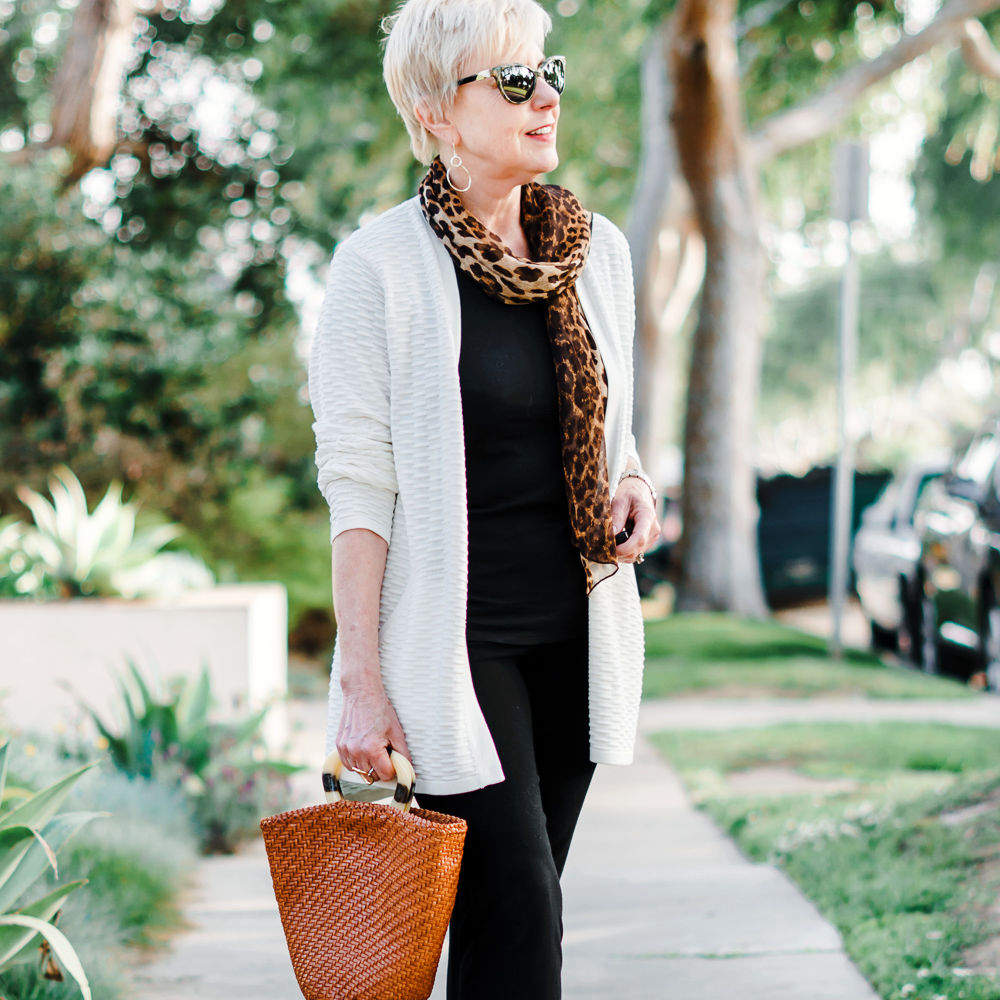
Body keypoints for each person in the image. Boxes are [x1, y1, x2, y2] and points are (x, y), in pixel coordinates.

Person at [308, 1, 659, 996]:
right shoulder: (376, 268)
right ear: (435, 113)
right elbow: (359, 482)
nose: (546, 95)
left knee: (515, 918)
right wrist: (361, 680)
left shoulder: (600, 255)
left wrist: (633, 484)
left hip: (574, 637)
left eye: (547, 71)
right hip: (456, 649)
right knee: (521, 913)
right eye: (512, 81)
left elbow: (612, 432)